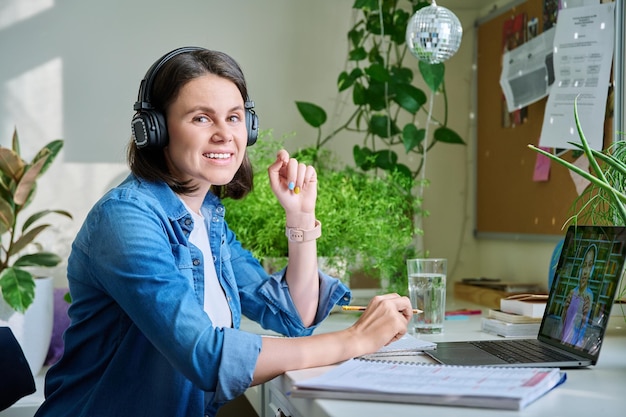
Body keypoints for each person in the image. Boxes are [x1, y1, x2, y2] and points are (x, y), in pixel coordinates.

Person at [34, 47, 412, 417]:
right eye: (201, 118)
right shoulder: (125, 220)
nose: (224, 134)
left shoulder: (208, 218)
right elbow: (206, 356)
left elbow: (293, 313)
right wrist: (355, 340)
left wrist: (300, 217)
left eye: (233, 118)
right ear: (156, 129)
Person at [561, 243, 596, 347]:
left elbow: (583, 327)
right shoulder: (572, 292)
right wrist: (565, 310)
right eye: (584, 265)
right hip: (563, 340)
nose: (585, 271)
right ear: (580, 268)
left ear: (592, 270)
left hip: (574, 343)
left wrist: (577, 345)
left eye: (589, 266)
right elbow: (564, 322)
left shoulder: (589, 295)